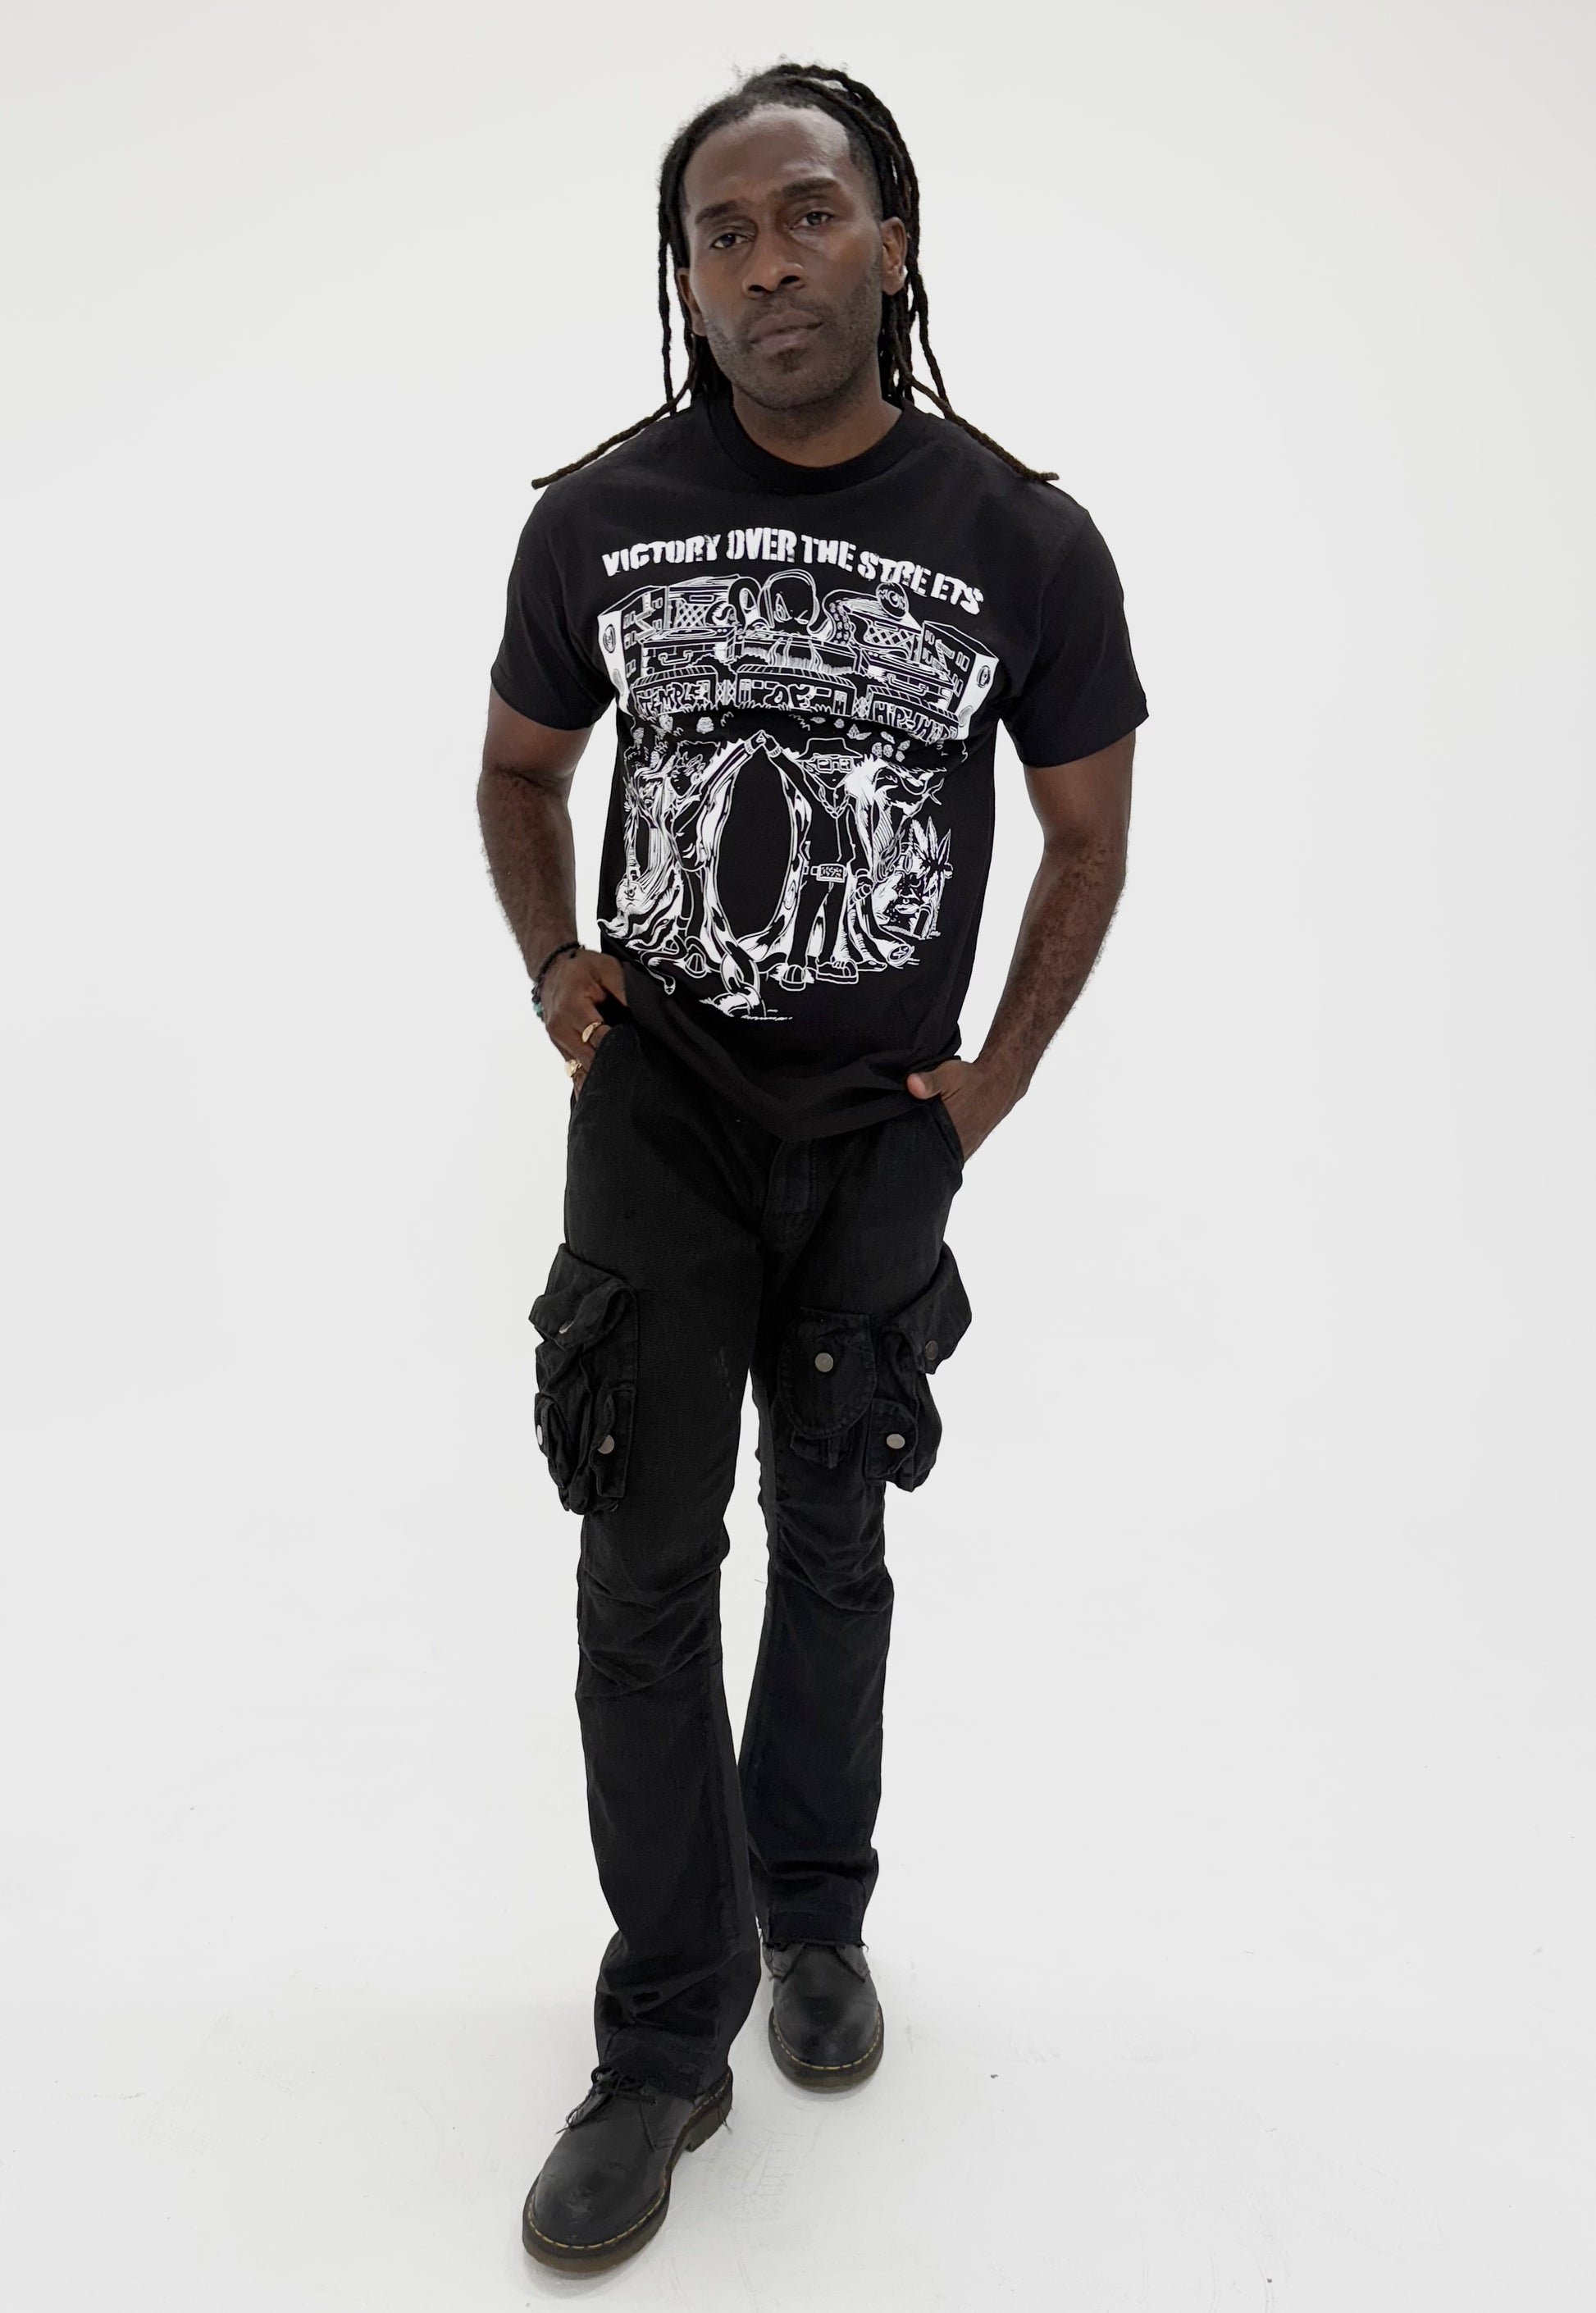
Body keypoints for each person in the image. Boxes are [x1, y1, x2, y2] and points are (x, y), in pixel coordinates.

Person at [477, 61, 1149, 2275]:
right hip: (658, 1112)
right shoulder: (598, 516)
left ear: (892, 239)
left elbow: (1084, 830)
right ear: (686, 277)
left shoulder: (1022, 537)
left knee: (835, 1529)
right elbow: (516, 768)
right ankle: (663, 2033)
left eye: (807, 213)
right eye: (724, 231)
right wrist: (559, 969)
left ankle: (817, 1916)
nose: (767, 259)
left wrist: (990, 1086)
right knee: (640, 1558)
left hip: (874, 1134)